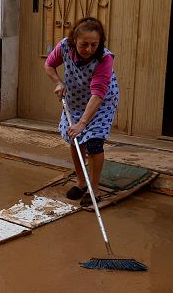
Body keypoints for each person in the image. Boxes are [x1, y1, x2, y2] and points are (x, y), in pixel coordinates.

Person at [43, 17, 119, 207]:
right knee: (75, 139)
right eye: (84, 44)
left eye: (94, 44)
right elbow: (49, 65)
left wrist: (83, 123)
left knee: (93, 142)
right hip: (75, 98)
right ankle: (81, 182)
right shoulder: (64, 47)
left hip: (101, 102)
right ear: (74, 40)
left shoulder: (104, 58)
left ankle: (94, 189)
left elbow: (98, 93)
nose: (89, 49)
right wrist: (58, 82)